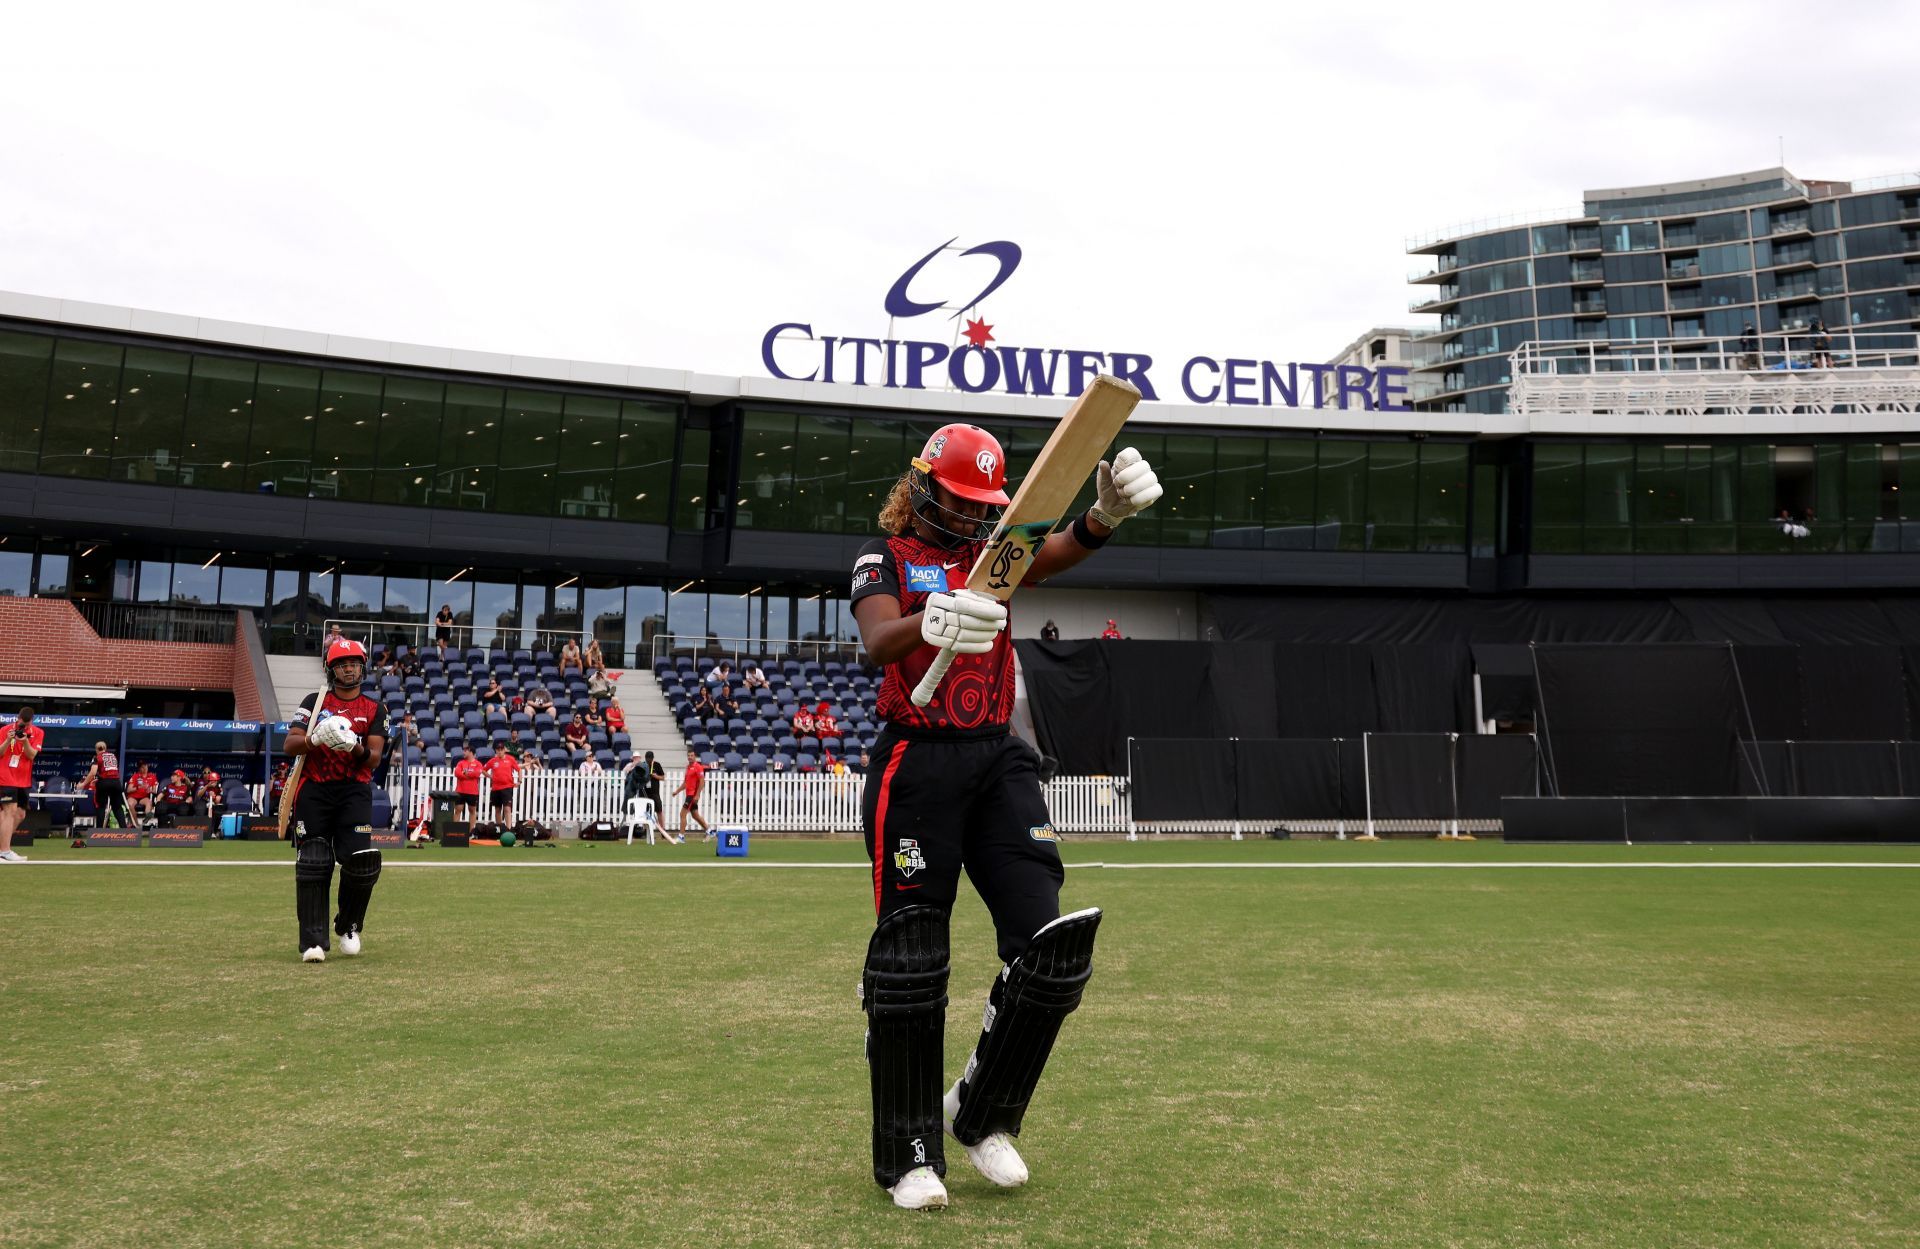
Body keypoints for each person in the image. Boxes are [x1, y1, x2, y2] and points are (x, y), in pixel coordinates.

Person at [848, 421, 1162, 1209]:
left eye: (982, 504)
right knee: (912, 959)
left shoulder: (995, 551)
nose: (970, 517)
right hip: (916, 762)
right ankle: (910, 1154)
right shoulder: (883, 558)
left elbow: (1051, 551)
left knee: (1049, 948)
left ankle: (981, 1113)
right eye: (958, 501)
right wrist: (933, 620)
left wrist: (1104, 517)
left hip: (997, 757)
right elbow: (877, 641)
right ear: (921, 487)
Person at [283, 636, 389, 964]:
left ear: (362, 667)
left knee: (360, 862)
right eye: (341, 665)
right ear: (331, 670)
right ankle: (313, 941)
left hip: (354, 791)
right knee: (314, 860)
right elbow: (291, 744)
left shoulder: (374, 708)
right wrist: (316, 738)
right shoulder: (315, 701)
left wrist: (350, 746)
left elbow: (373, 759)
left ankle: (349, 926)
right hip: (315, 789)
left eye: (354, 664)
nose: (348, 670)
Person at [0, 706, 44, 862]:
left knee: (20, 814)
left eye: (26, 724)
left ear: (31, 721)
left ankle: (2, 847)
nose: (22, 726)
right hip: (5, 777)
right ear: (17, 718)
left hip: (22, 780)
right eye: (21, 723)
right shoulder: (5, 729)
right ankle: (4, 851)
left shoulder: (38, 732)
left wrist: (25, 741)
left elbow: (32, 755)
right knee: (9, 811)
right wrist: (8, 739)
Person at [81, 741, 132, 829]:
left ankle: (99, 831)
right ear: (105, 748)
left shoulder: (97, 757)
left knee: (101, 806)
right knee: (117, 807)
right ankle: (124, 829)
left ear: (97, 749)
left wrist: (83, 784)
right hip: (116, 782)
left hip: (104, 782)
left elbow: (93, 772)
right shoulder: (113, 756)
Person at [669, 748, 710, 839]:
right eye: (688, 755)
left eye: (692, 755)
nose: (690, 757)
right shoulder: (688, 767)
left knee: (682, 814)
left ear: (695, 756)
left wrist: (697, 795)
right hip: (689, 795)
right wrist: (677, 791)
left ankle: (681, 837)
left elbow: (702, 781)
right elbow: (686, 783)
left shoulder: (698, 767)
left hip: (692, 795)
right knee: (695, 815)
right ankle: (709, 831)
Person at [486, 746, 520, 827]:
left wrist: (520, 781)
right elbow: (483, 770)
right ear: (496, 751)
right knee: (497, 809)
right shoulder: (493, 761)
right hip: (496, 788)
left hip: (507, 787)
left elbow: (519, 769)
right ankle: (499, 828)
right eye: (498, 750)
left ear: (504, 750)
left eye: (501, 750)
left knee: (507, 809)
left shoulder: (510, 759)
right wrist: (490, 776)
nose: (500, 751)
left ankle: (508, 828)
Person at [452, 745, 484, 822]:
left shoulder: (478, 764)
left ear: (471, 752)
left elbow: (476, 774)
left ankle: (471, 832)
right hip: (460, 791)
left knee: (472, 811)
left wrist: (465, 774)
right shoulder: (460, 763)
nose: (463, 753)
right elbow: (457, 773)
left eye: (465, 751)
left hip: (472, 792)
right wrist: (469, 775)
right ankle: (454, 831)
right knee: (457, 811)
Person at [129, 761, 161, 826]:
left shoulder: (152, 776)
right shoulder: (135, 776)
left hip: (144, 797)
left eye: (146, 766)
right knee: (130, 804)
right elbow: (128, 790)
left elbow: (154, 791)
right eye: (143, 767)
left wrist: (150, 790)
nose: (145, 768)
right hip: (133, 797)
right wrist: (138, 787)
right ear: (139, 769)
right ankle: (135, 824)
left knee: (149, 802)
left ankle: (148, 815)